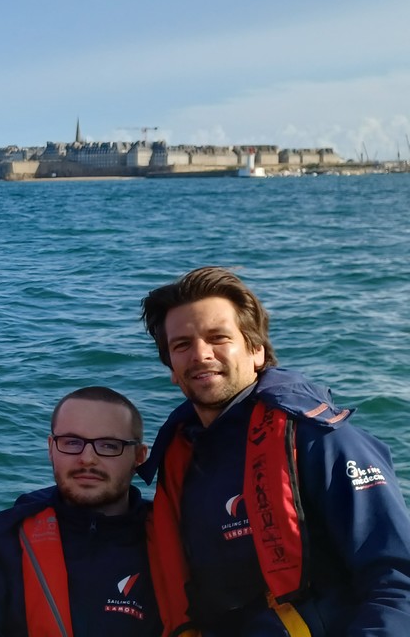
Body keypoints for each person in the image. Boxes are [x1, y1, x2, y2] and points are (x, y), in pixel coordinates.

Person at [138, 266, 410, 636]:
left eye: (218, 338)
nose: (200, 354)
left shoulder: (321, 440)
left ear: (257, 351)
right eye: (182, 345)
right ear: (171, 367)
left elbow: (396, 580)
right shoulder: (182, 458)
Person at [0, 387, 162, 636]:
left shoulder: (174, 542)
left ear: (139, 457)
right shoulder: (1, 543)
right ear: (51, 448)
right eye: (72, 442)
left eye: (109, 446)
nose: (87, 458)